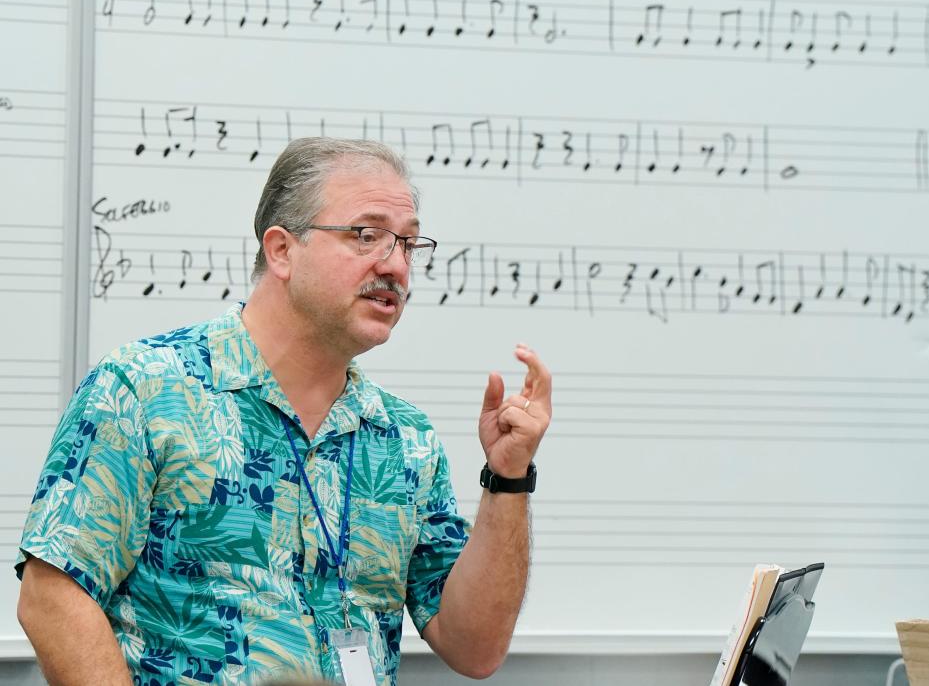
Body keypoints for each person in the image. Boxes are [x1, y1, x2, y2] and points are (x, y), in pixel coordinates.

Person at [16, 138, 552, 686]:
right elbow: (53, 596)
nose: (394, 265)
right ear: (281, 251)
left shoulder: (404, 438)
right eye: (365, 236)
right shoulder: (148, 389)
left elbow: (475, 647)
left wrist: (508, 479)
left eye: (409, 244)